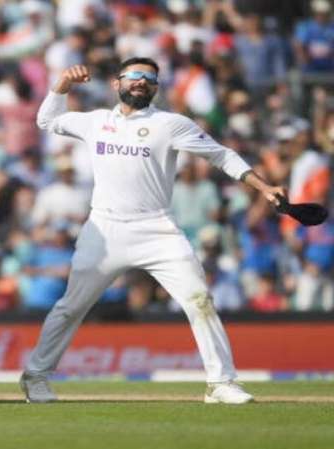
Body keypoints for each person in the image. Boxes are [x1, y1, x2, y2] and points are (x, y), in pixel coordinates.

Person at [19, 59, 285, 404]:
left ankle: (220, 383)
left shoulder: (170, 124)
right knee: (71, 307)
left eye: (149, 78)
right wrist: (62, 86)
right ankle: (36, 377)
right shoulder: (96, 121)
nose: (141, 81)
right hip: (105, 230)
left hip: (157, 228)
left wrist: (264, 187)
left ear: (156, 87)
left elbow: (222, 156)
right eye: (134, 75)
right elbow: (47, 120)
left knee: (199, 300)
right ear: (117, 83)